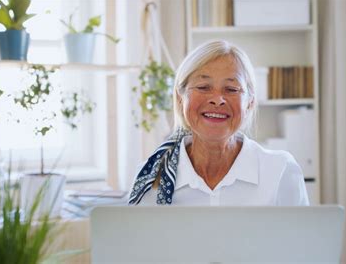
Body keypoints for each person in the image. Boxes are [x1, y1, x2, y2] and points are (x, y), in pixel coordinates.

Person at [129, 40, 309, 206]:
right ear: (180, 98)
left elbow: (301, 241)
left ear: (250, 103)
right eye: (203, 87)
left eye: (231, 89)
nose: (217, 99)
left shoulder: (281, 171)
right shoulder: (149, 179)